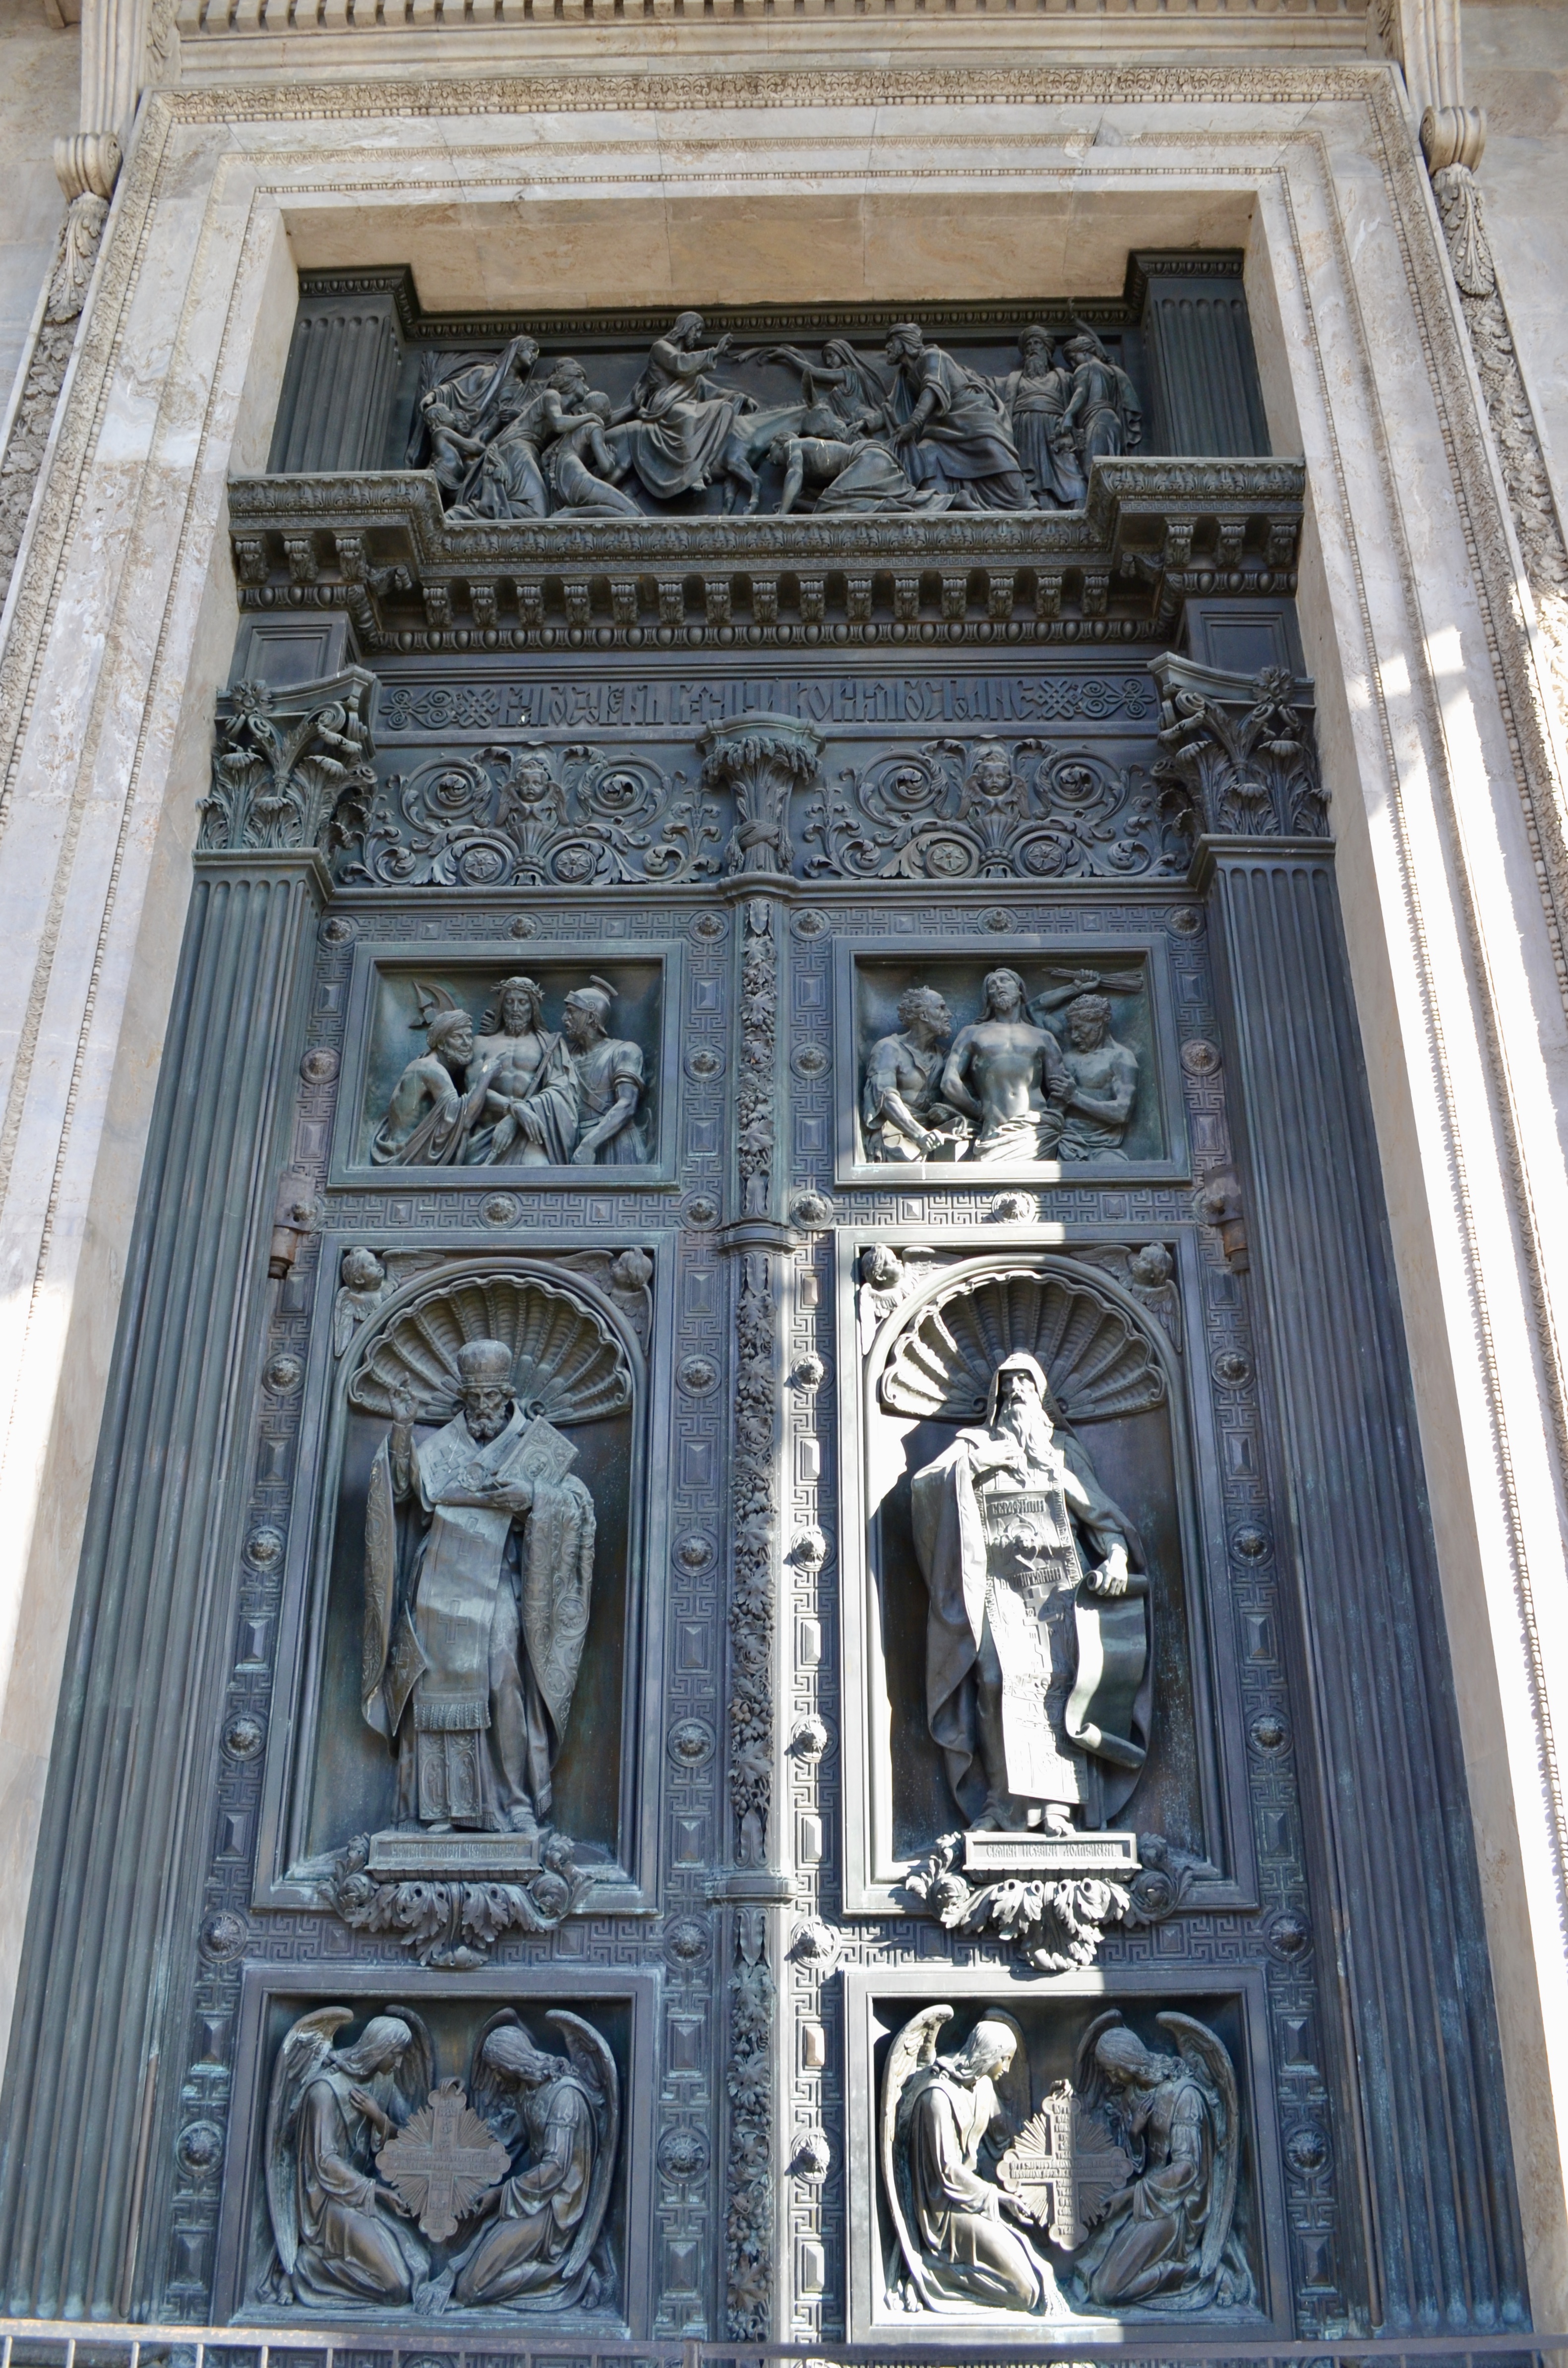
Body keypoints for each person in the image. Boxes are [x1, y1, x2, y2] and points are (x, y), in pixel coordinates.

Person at [361, 1337, 596, 1836]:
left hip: (499, 1576)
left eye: (491, 1398)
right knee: (430, 1680)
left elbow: (575, 1503)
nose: (483, 1408)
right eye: (474, 1399)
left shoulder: (531, 1443)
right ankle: (441, 1806)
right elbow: (402, 1487)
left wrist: (532, 1496)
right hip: (441, 1575)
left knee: (502, 1675)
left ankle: (516, 1802)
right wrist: (402, 1428)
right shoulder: (444, 1445)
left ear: (507, 1395)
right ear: (464, 1397)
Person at [909, 1351, 1146, 1832]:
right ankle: (1001, 1804)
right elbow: (925, 1487)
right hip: (997, 1591)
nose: (1017, 1389)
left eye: (1026, 1382)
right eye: (1010, 1383)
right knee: (995, 1681)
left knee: (1058, 1683)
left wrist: (1117, 1558)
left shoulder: (1061, 1451)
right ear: (998, 1394)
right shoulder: (976, 1445)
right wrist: (978, 1463)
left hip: (1060, 1592)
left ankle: (1057, 1806)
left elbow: (1101, 1515)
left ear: (1040, 1395)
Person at [1071, 2024, 1250, 2309]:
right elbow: (1138, 2164)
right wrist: (1134, 2133)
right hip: (1151, 2200)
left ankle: (1202, 2273)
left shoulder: (1185, 2095)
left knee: (1106, 2291)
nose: (1112, 2079)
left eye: (1115, 2071)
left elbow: (1187, 2169)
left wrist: (1130, 2197)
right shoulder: (1134, 2094)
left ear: (1130, 2062)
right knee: (1097, 2275)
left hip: (1178, 2209)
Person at [897, 2020, 1057, 2311]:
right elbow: (947, 2170)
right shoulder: (937, 2097)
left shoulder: (983, 2087)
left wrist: (1055, 2109)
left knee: (1035, 2281)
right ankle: (930, 2275)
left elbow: (1009, 2137)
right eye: (1005, 2059)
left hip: (975, 2201)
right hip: (945, 2213)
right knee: (1025, 2293)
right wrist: (997, 2197)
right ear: (988, 2053)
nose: (1007, 2068)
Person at [453, 2024, 601, 2306]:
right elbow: (513, 2137)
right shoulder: (530, 2091)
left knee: (471, 2289)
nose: (497, 2078)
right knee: (468, 2271)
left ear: (513, 2063)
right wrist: (457, 2110)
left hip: (556, 2210)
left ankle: (572, 2275)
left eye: (498, 2069)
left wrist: (501, 2194)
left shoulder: (565, 2096)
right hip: (530, 2200)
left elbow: (556, 2168)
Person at [286, 2017, 429, 2307]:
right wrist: (377, 2192)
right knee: (397, 2287)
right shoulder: (324, 2091)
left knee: (419, 2268)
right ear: (378, 2049)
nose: (399, 2064)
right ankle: (309, 2268)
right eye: (395, 2055)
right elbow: (324, 2162)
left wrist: (379, 2118)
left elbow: (411, 2135)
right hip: (329, 2202)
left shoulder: (383, 2081)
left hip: (361, 2194)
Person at [882, 323, 1032, 512]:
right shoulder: (905, 376)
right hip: (941, 425)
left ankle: (1025, 504)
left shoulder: (932, 356)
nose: (887, 347)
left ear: (905, 342)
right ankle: (940, 507)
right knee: (926, 453)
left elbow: (932, 389)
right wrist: (866, 423)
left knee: (992, 451)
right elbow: (894, 408)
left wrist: (913, 425)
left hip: (971, 412)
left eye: (892, 341)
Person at [611, 312, 755, 507]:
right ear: (685, 328)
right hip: (665, 404)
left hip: (687, 405)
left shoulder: (693, 372)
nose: (698, 336)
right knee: (688, 416)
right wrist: (714, 352)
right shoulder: (661, 348)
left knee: (725, 409)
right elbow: (680, 364)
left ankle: (702, 467)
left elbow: (708, 389)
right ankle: (691, 471)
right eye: (696, 330)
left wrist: (740, 397)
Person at [939, 968, 1069, 1161]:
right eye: (992, 985)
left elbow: (1061, 1089)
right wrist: (978, 1110)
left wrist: (1050, 1120)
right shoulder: (973, 1034)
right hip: (994, 1131)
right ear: (989, 999)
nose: (998, 986)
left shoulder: (1043, 1037)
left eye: (1004, 981)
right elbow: (949, 1082)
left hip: (1037, 1131)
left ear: (1020, 990)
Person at [465, 975, 579, 1167]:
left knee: (539, 1169)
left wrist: (518, 1117)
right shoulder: (481, 1044)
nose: (515, 1009)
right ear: (502, 1005)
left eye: (523, 1002)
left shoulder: (549, 1045)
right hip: (486, 1136)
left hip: (530, 1138)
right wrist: (514, 1108)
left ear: (533, 1007)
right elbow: (474, 1091)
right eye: (509, 1002)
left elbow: (561, 1094)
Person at [1029, 976, 1140, 1158]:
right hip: (1058, 1141)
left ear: (1099, 1022)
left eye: (1080, 1028)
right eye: (1072, 1029)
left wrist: (1074, 1097)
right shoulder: (1065, 1053)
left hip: (1101, 1147)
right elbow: (1034, 1010)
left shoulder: (1121, 1058)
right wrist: (1075, 987)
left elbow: (1122, 1112)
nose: (1074, 1036)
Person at [371, 992, 479, 1166]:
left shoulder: (428, 1063)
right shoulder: (431, 1069)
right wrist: (486, 1076)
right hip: (408, 1156)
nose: (467, 1043)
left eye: (468, 1036)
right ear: (441, 1044)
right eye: (458, 1037)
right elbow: (462, 1119)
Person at [862, 985, 969, 1160]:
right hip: (897, 1134)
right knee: (911, 1163)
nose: (949, 1014)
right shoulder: (888, 1049)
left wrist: (948, 1111)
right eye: (941, 1008)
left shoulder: (945, 1057)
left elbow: (963, 1095)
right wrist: (919, 1134)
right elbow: (885, 1097)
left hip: (936, 1134)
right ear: (924, 1015)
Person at [995, 325, 1086, 508]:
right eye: (1028, 346)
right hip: (1024, 436)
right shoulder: (1014, 380)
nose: (1032, 348)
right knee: (1031, 484)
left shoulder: (1064, 378)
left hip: (1057, 436)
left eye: (1037, 343)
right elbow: (986, 385)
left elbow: (1086, 390)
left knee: (1076, 484)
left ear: (1048, 351)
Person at [538, 361, 643, 517]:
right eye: (609, 409)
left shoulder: (577, 426)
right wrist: (611, 458)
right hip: (575, 477)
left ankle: (570, 513)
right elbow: (607, 467)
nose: (612, 412)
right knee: (632, 512)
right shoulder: (595, 428)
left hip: (563, 479)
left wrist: (631, 408)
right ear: (603, 412)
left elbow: (608, 421)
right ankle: (570, 514)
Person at [561, 979, 648, 1164]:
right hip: (575, 1142)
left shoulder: (624, 1051)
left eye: (571, 1012)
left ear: (590, 1017)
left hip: (615, 1143)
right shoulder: (564, 1055)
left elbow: (627, 1104)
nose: (564, 1019)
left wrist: (589, 1145)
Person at [1062, 324, 1143, 466]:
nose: (1073, 364)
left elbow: (1081, 392)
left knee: (1091, 467)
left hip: (1096, 422)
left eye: (1074, 357)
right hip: (1115, 424)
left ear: (1085, 351)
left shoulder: (1085, 368)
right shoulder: (1115, 372)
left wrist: (1068, 414)